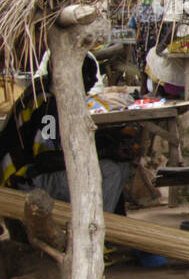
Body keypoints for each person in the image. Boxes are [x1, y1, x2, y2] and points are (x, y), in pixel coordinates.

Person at [0, 54, 132, 214]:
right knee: (110, 170)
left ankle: (110, 221)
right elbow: (45, 159)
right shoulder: (48, 106)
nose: (94, 81)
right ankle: (97, 223)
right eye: (88, 76)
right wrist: (101, 154)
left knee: (122, 167)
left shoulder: (46, 89)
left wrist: (109, 136)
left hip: (33, 174)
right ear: (69, 75)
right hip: (24, 179)